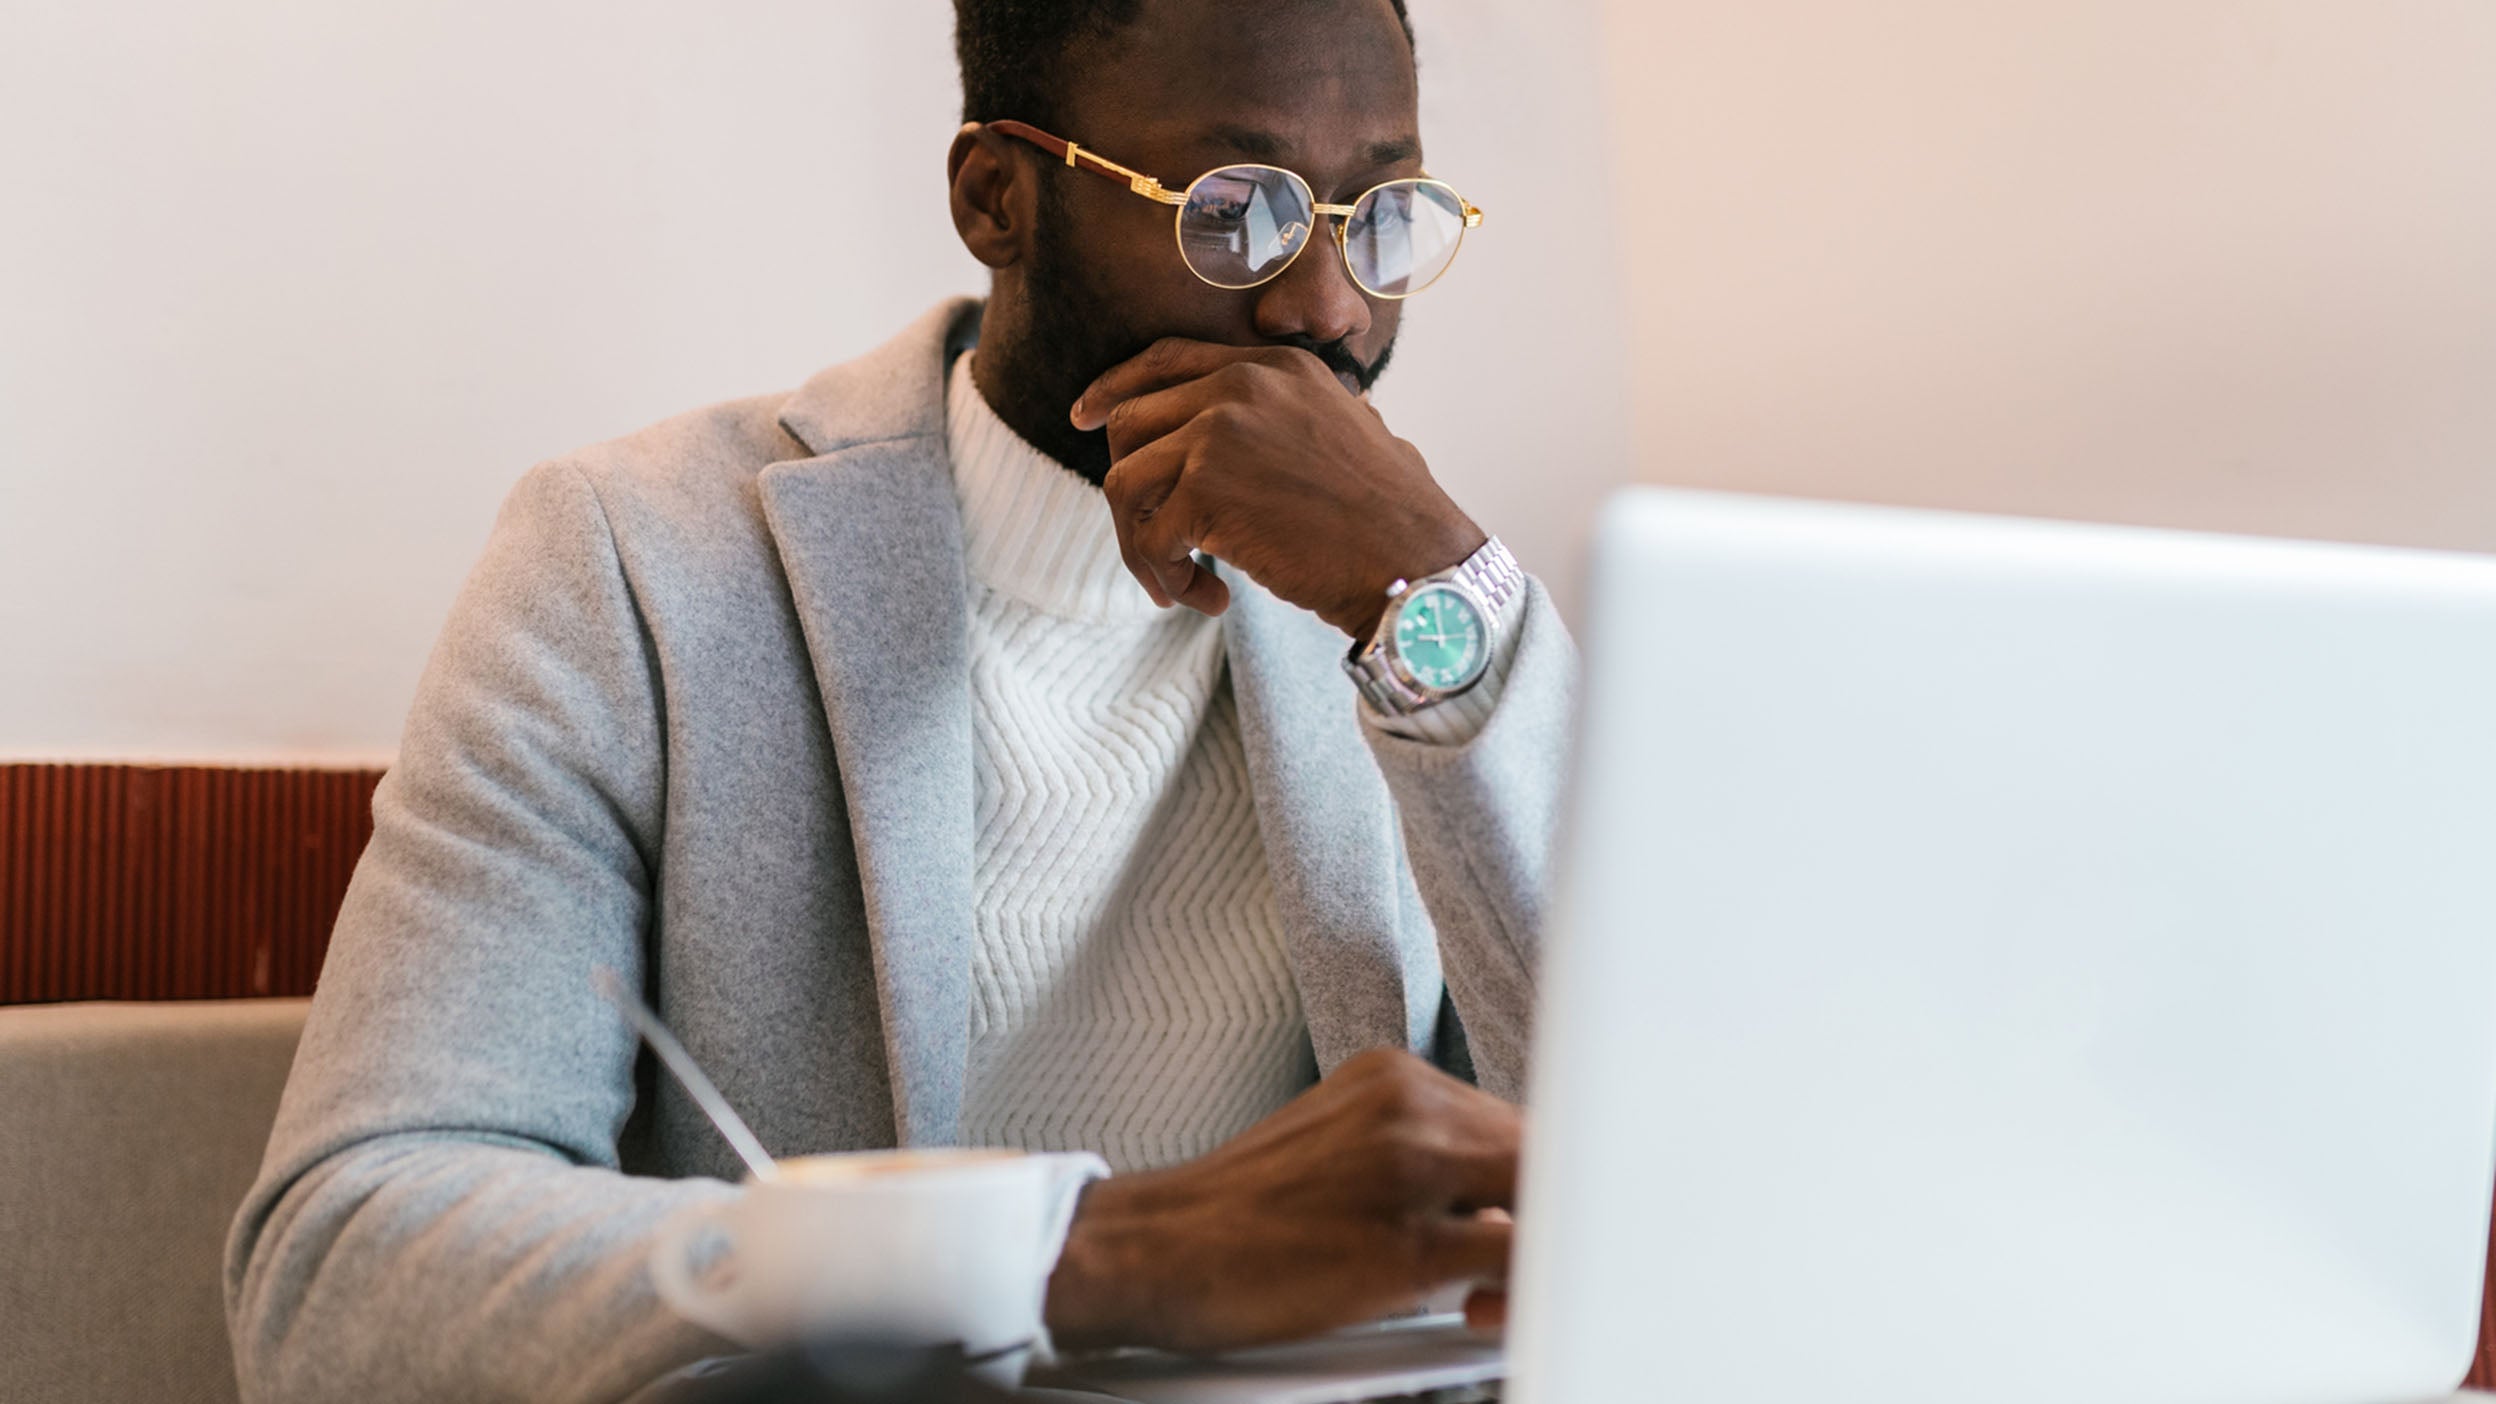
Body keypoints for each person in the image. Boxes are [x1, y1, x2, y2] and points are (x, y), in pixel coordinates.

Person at [224, 1, 1576, 1400]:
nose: (1330, 306)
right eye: (1235, 210)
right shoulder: (636, 563)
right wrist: (1082, 1254)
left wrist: (1435, 598)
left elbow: (1641, 1172)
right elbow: (344, 1273)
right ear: (1000, 198)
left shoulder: (1412, 604)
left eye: (1381, 214)